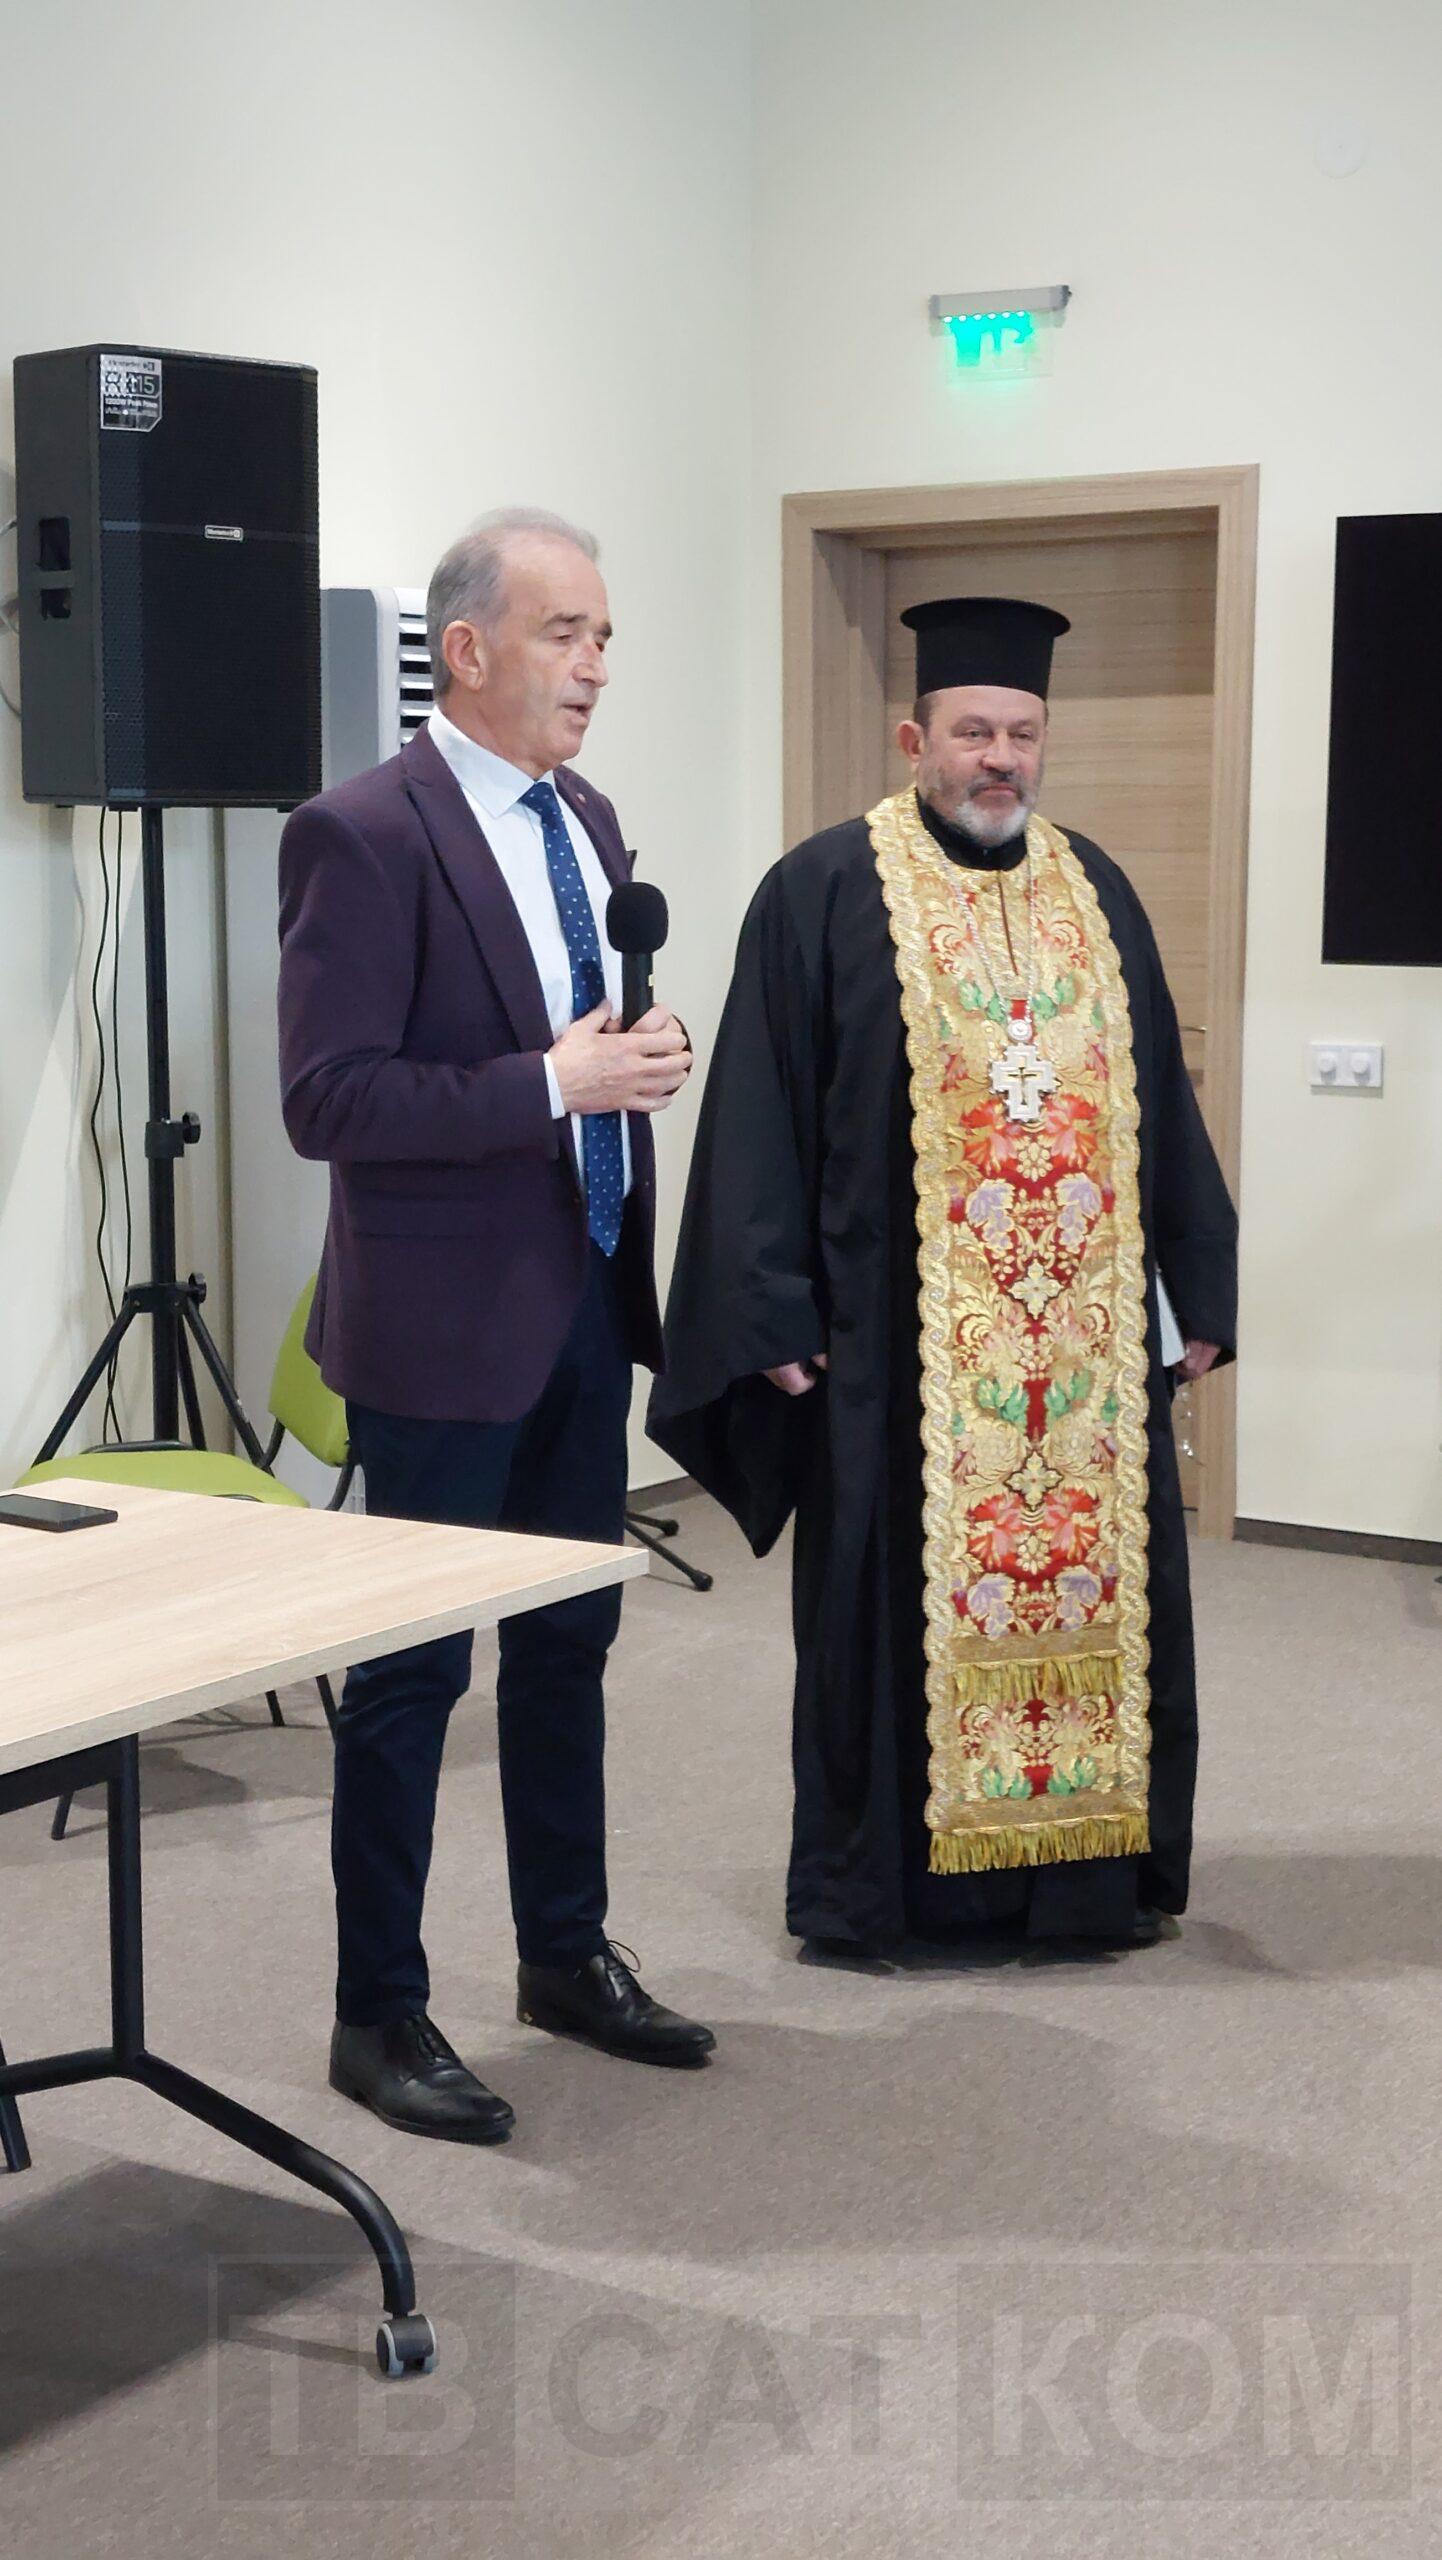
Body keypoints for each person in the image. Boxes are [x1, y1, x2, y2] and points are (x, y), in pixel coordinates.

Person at [648, 595, 1237, 1959]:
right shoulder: (822, 890)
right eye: (974, 732)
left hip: (1082, 1370)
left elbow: (1157, 1096)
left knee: (1103, 1607)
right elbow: (756, 1112)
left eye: (1022, 733)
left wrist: (1197, 1284)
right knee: (886, 1619)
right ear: (915, 739)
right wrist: (768, 1306)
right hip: (898, 1351)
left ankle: (1086, 1887)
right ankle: (892, 1897)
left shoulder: (1096, 891)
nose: (1000, 759)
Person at [278, 507, 715, 2143]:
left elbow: (569, 1038)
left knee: (565, 1653)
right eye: (563, 634)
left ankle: (562, 1957)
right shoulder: (359, 832)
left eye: (605, 639)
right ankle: (376, 2013)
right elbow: (328, 1099)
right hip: (439, 1332)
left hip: (580, 1298)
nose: (594, 667)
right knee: (411, 1681)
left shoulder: (583, 818)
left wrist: (628, 1057)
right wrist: (553, 1082)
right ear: (465, 650)